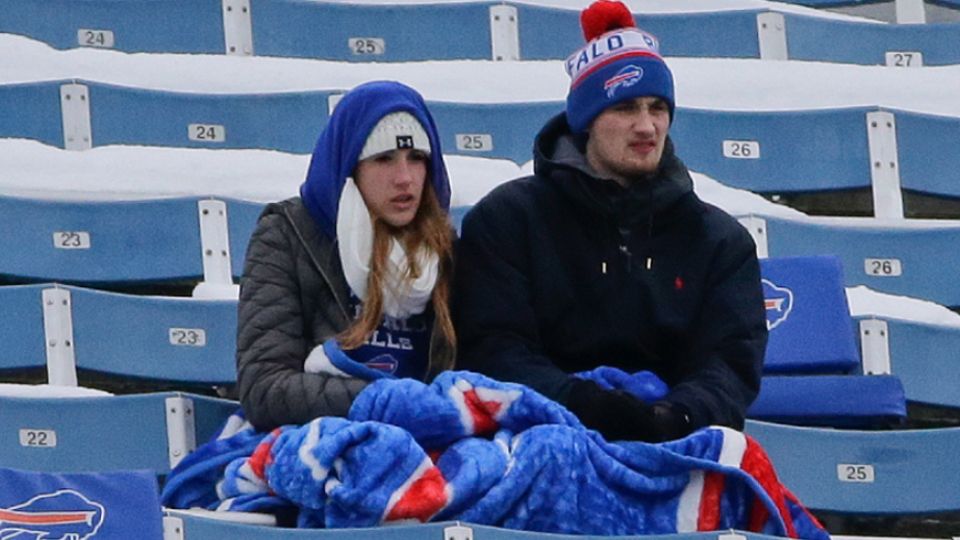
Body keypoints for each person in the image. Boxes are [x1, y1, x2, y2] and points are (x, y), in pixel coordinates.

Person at [453, 0, 768, 443]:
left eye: (657, 107)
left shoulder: (720, 241)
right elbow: (494, 349)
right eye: (624, 108)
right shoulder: (507, 221)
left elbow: (729, 364)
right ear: (586, 120)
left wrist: (674, 415)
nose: (646, 126)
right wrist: (581, 403)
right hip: (539, 436)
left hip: (680, 442)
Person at [237, 81, 456, 432]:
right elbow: (265, 388)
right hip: (323, 440)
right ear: (348, 167)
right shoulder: (287, 235)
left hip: (426, 439)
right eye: (383, 159)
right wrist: (382, 401)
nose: (404, 178)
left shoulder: (445, 246)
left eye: (417, 159)